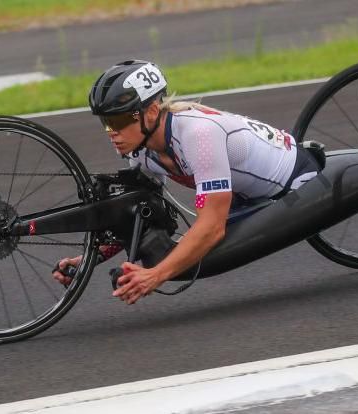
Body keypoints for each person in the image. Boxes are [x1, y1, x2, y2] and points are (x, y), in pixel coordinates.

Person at [53, 59, 321, 304]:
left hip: (296, 181)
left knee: (194, 242)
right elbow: (137, 218)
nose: (112, 133)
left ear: (151, 112)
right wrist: (89, 259)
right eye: (106, 123)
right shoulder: (139, 150)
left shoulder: (197, 135)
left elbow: (212, 226)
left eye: (120, 120)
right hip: (247, 197)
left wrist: (155, 276)